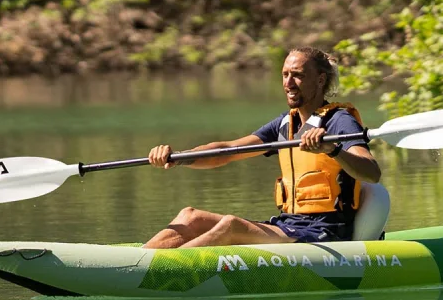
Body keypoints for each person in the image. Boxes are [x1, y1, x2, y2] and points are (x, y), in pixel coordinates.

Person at [143, 47, 381, 248]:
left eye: (297, 75)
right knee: (190, 217)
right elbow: (226, 151)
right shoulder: (285, 124)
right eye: (285, 74)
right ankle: (139, 260)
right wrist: (180, 157)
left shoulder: (339, 120)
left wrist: (333, 150)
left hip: (326, 233)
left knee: (231, 225)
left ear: (320, 79)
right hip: (288, 225)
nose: (288, 83)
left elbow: (371, 172)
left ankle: (161, 270)